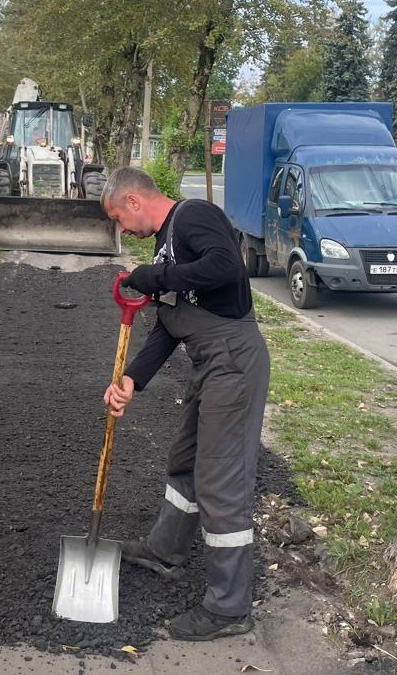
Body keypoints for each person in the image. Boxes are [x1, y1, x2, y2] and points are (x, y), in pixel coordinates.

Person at [100, 166, 271, 641]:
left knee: (221, 482)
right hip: (208, 365)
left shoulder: (194, 216)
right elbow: (167, 327)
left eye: (118, 217)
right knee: (185, 461)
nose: (121, 229)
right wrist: (133, 379)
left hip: (233, 361)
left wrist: (155, 275)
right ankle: (165, 549)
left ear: (133, 200)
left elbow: (227, 267)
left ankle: (230, 607)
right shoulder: (163, 246)